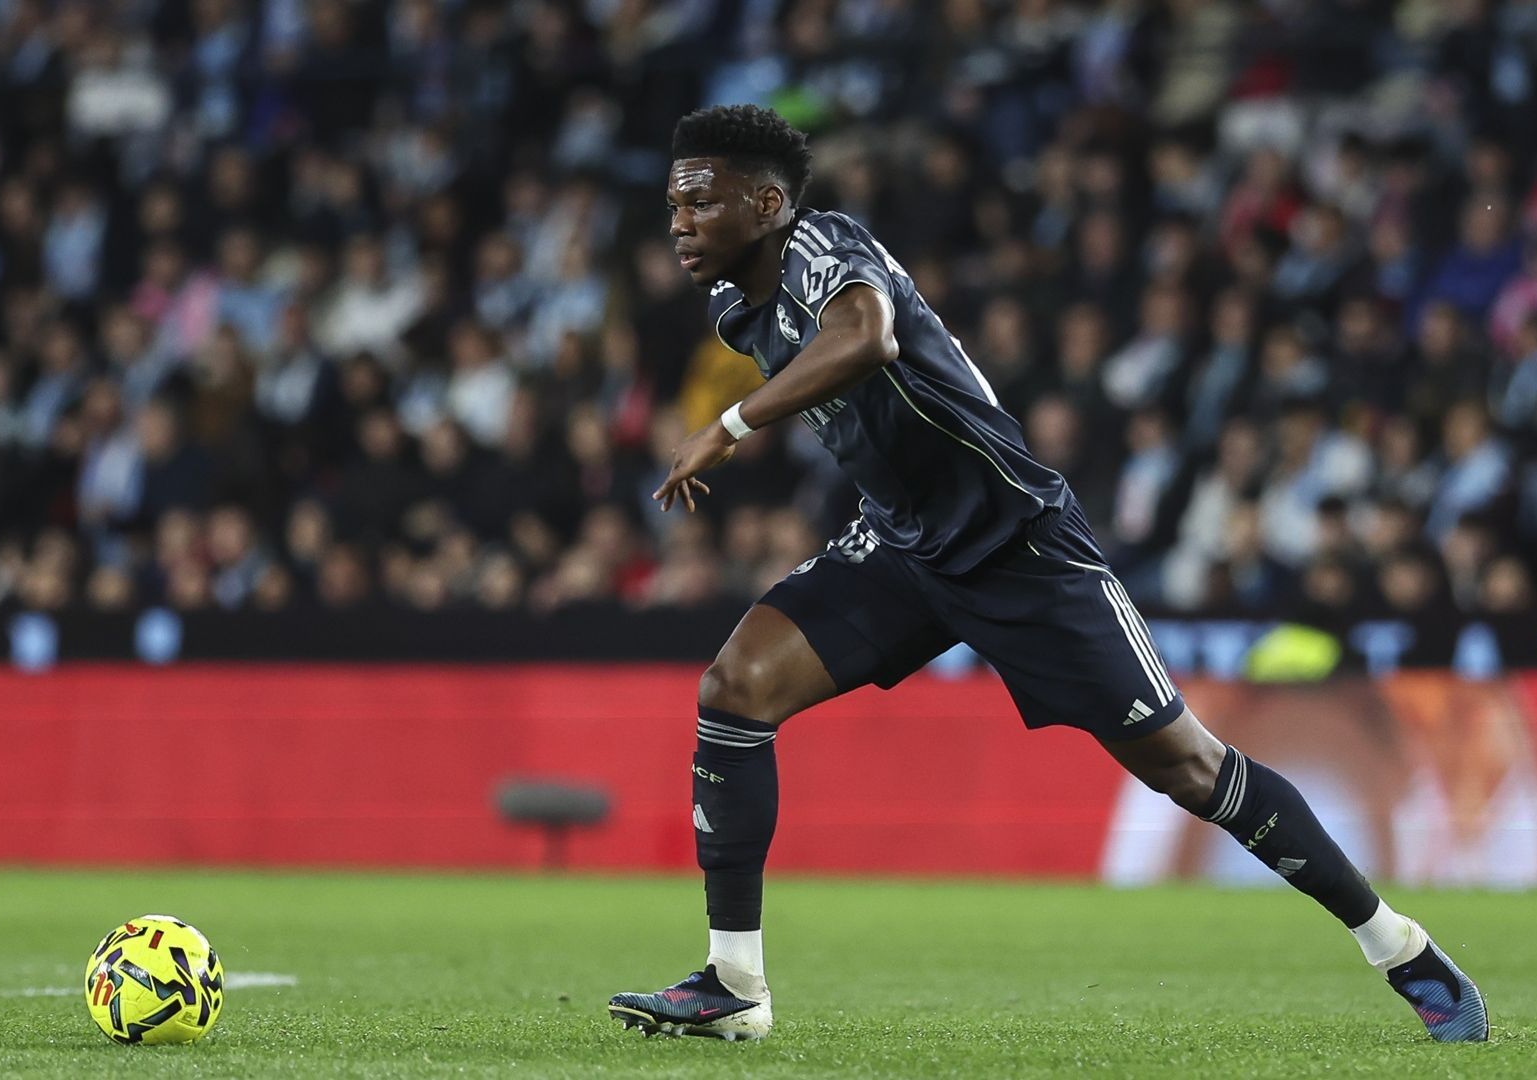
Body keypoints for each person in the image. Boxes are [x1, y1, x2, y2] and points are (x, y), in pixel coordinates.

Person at [607, 105, 1487, 1044]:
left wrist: (732, 426)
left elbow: (867, 340)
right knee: (735, 689)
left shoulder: (825, 243)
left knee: (1188, 766)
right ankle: (734, 984)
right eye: (673, 203)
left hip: (1019, 545)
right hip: (904, 547)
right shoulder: (733, 309)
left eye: (701, 201)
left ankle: (1400, 948)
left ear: (769, 201)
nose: (679, 221)